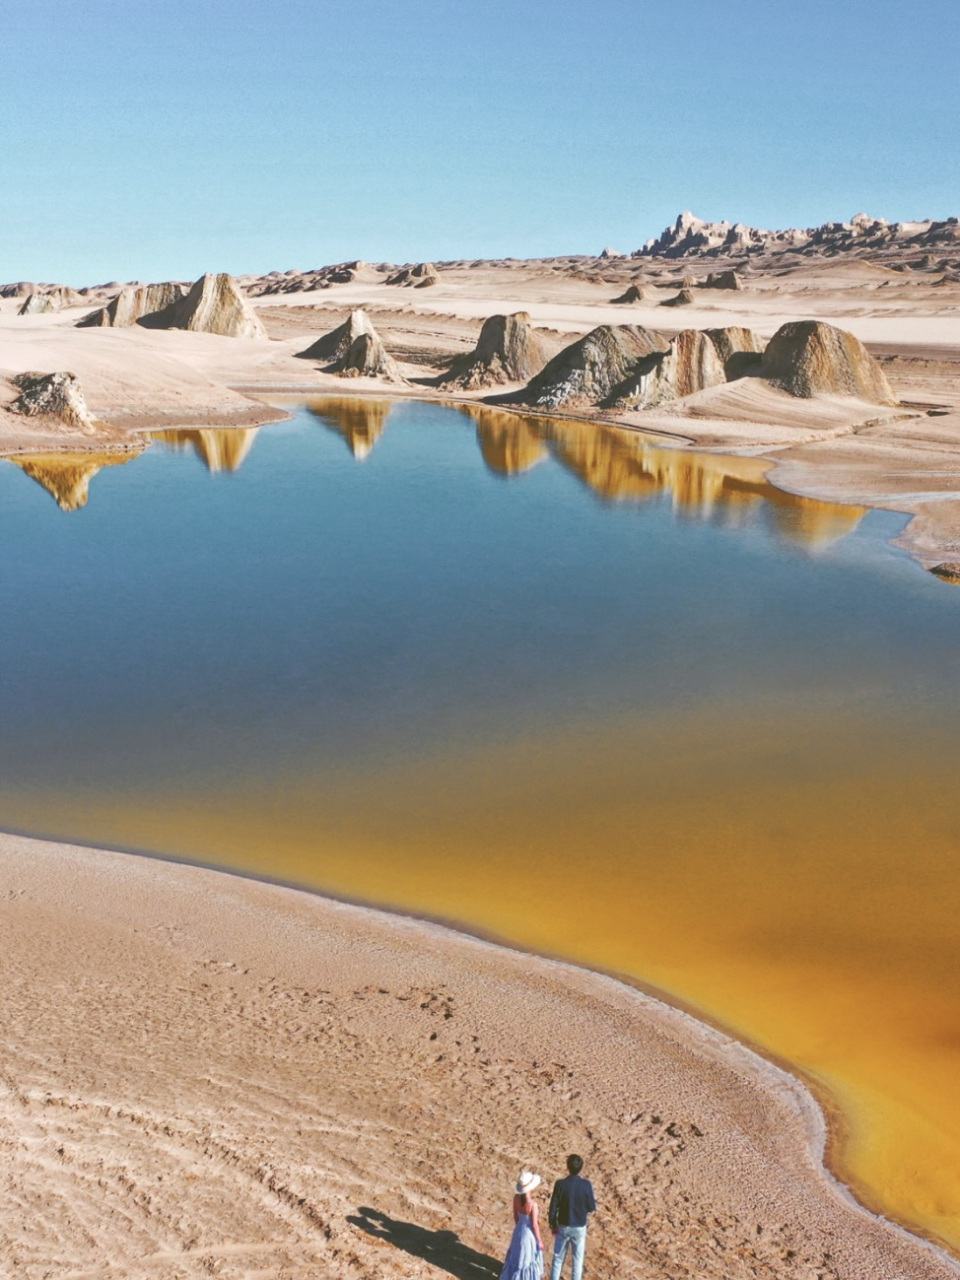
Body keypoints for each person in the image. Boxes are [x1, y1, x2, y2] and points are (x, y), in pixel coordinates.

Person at [548, 1154, 596, 1280]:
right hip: (579, 1226)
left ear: (567, 1167)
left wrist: (552, 1224)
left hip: (563, 1225)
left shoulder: (560, 1184)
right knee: (577, 1262)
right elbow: (591, 1207)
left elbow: (553, 1205)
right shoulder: (586, 1185)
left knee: (558, 1260)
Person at [500, 1170, 545, 1280]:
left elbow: (516, 1217)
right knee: (526, 1260)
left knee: (516, 1257)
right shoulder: (532, 1204)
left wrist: (519, 1228)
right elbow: (534, 1225)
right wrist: (539, 1241)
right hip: (527, 1235)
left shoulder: (516, 1198)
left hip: (518, 1230)